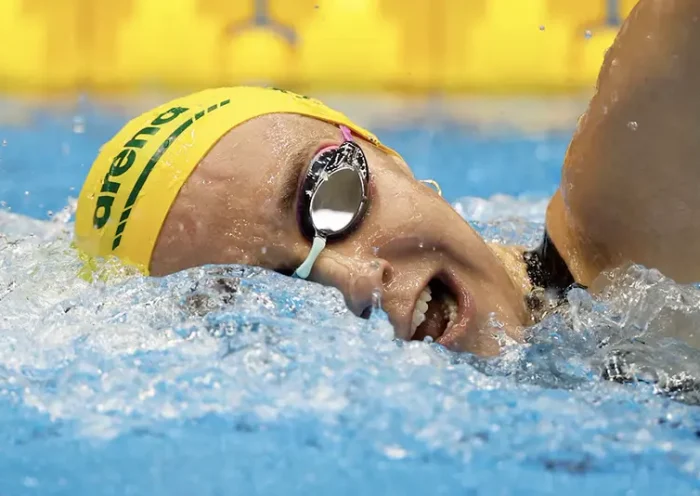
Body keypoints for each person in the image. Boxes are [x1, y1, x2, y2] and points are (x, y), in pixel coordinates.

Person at [74, 0, 700, 356]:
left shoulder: (632, 225)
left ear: (385, 154)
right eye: (271, 297)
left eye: (329, 199)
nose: (354, 282)